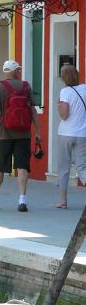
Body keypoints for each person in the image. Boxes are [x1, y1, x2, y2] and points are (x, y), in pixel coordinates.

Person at [0, 59, 41, 212]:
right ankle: (22, 200)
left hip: (4, 134)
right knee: (22, 166)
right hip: (23, 134)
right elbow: (33, 112)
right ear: (14, 71)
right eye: (18, 69)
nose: (20, 72)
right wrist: (38, 132)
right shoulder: (26, 86)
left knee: (0, 167)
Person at [56, 64, 86, 208]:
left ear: (64, 77)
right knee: (82, 167)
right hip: (82, 134)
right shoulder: (85, 89)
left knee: (64, 167)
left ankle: (63, 201)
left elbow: (64, 115)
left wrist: (58, 105)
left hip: (66, 133)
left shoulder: (65, 92)